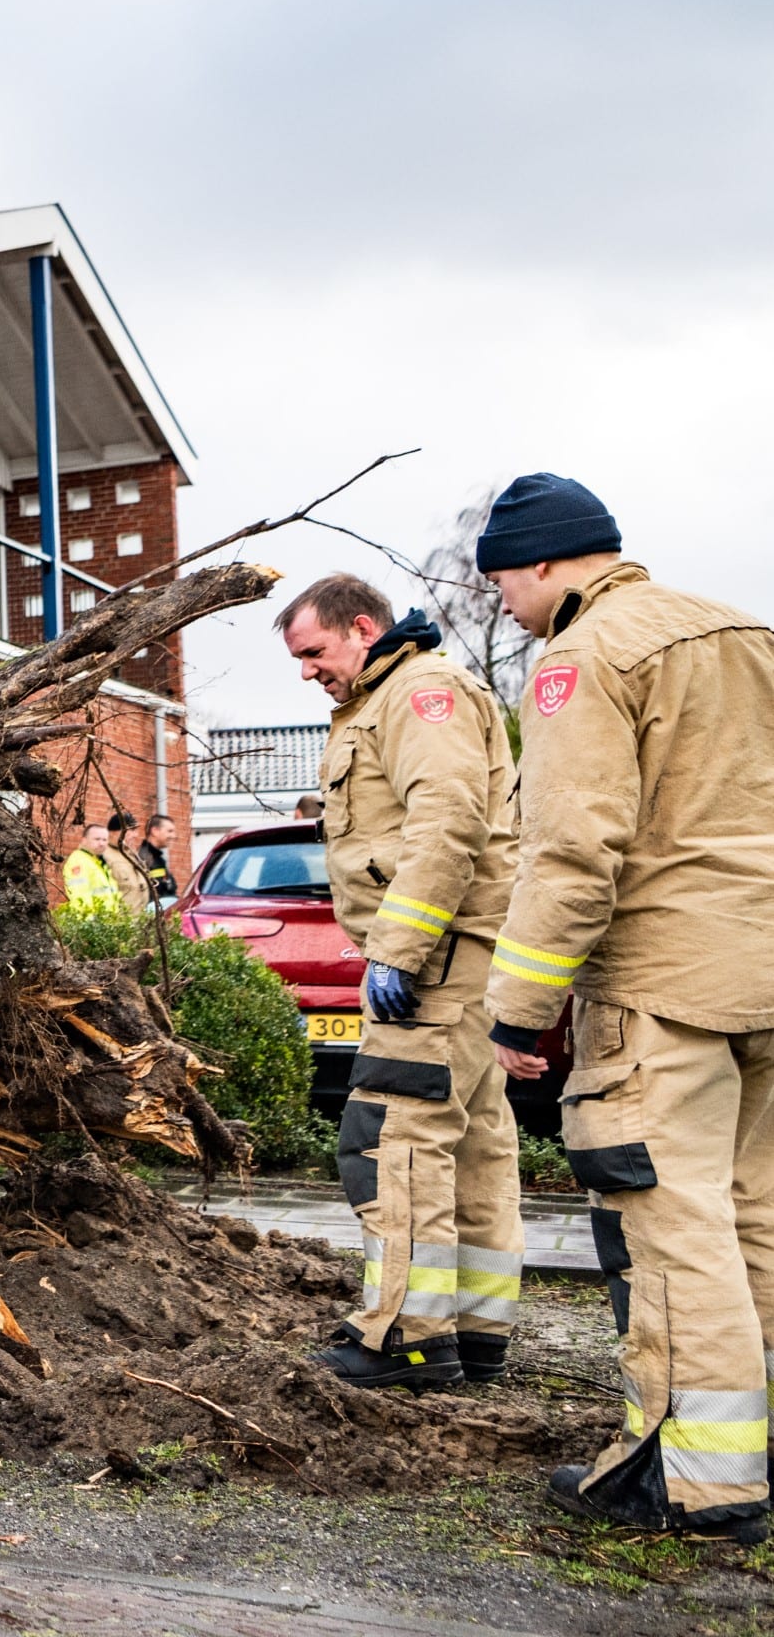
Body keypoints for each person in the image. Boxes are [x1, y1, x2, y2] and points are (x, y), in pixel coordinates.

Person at [477, 475, 774, 1544]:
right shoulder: (746, 632)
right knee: (755, 1216)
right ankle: (751, 1448)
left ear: (544, 562)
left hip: (664, 986)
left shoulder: (583, 657)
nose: (504, 602)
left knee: (674, 1222)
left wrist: (517, 1012)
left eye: (502, 581)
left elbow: (571, 853)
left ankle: (698, 1481)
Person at [281, 572, 523, 1390]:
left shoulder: (418, 696)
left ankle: (406, 1337)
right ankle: (472, 1332)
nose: (307, 671)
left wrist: (398, 947)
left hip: (434, 966)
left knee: (393, 1141)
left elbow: (446, 821)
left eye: (314, 651)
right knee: (472, 1145)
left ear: (361, 628)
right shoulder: (389, 699)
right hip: (462, 960)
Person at [60, 818, 126, 913]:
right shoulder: (79, 861)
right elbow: (79, 897)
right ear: (84, 840)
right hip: (94, 920)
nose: (101, 843)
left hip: (108, 919)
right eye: (97, 839)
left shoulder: (99, 862)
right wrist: (91, 920)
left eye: (104, 840)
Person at [135, 813, 183, 907]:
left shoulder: (157, 858)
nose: (174, 836)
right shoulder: (144, 858)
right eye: (170, 831)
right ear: (155, 831)